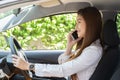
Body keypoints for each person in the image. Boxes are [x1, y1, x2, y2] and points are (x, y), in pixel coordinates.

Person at [12, 6, 103, 80]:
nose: (76, 27)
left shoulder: (94, 51)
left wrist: (29, 66)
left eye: (79, 22)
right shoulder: (87, 47)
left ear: (90, 24)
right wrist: (69, 46)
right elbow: (63, 64)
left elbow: (63, 70)